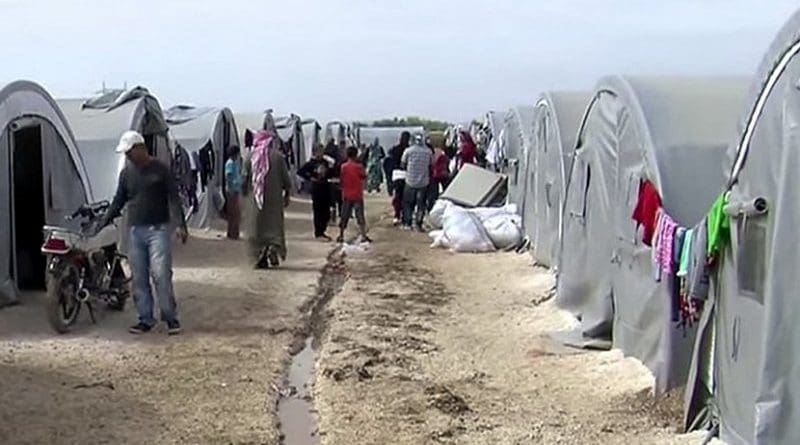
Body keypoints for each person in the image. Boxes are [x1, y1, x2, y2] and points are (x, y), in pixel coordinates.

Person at [101, 131, 188, 335]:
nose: (128, 156)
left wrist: (180, 225)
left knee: (160, 274)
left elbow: (174, 199)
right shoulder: (127, 173)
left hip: (158, 229)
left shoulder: (160, 170)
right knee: (139, 277)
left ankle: (170, 317)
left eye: (130, 152)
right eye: (126, 154)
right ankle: (145, 319)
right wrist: (105, 220)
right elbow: (119, 200)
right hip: (135, 230)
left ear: (140, 148)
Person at [242, 130, 292, 269]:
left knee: (256, 228)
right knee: (274, 226)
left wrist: (244, 193)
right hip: (274, 199)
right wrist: (287, 194)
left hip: (255, 200)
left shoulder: (250, 157)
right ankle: (273, 248)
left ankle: (259, 256)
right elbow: (286, 179)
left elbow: (244, 179)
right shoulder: (278, 157)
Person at [298, 146, 334, 241]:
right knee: (318, 211)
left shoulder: (325, 162)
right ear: (315, 152)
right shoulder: (311, 164)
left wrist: (331, 169)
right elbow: (300, 172)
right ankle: (319, 232)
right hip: (317, 189)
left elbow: (330, 173)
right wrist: (310, 178)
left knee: (326, 212)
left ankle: (323, 230)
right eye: (319, 151)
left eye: (322, 151)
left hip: (326, 188)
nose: (321, 154)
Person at [338, 146, 372, 244]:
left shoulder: (343, 167)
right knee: (360, 216)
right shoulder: (359, 167)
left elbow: (341, 179)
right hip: (357, 195)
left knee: (344, 216)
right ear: (356, 154)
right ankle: (363, 236)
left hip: (347, 194)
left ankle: (341, 235)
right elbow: (364, 177)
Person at [401, 134, 434, 231]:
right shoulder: (428, 152)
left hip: (410, 181)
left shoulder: (408, 151)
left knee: (408, 203)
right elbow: (431, 165)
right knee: (421, 204)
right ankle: (418, 224)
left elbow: (403, 164)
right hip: (423, 182)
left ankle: (408, 223)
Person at [390, 131, 411, 225]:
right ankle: (405, 217)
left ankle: (396, 215)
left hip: (397, 175)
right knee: (406, 197)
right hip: (407, 175)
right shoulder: (409, 149)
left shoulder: (394, 149)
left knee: (397, 196)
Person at [224, 145, 242, 240]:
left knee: (235, 213)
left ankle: (234, 232)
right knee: (234, 213)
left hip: (235, 189)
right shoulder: (230, 163)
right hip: (232, 191)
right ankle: (232, 233)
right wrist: (231, 188)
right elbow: (228, 176)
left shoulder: (234, 163)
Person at [324, 138, 342, 224]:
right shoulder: (338, 156)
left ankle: (332, 218)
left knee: (331, 201)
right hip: (337, 180)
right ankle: (338, 217)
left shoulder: (326, 157)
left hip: (329, 181)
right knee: (338, 200)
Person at [428, 142, 450, 211]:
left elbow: (431, 165)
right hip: (444, 174)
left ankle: (432, 207)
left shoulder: (431, 154)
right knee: (446, 191)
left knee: (433, 193)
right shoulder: (442, 153)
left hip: (434, 175)